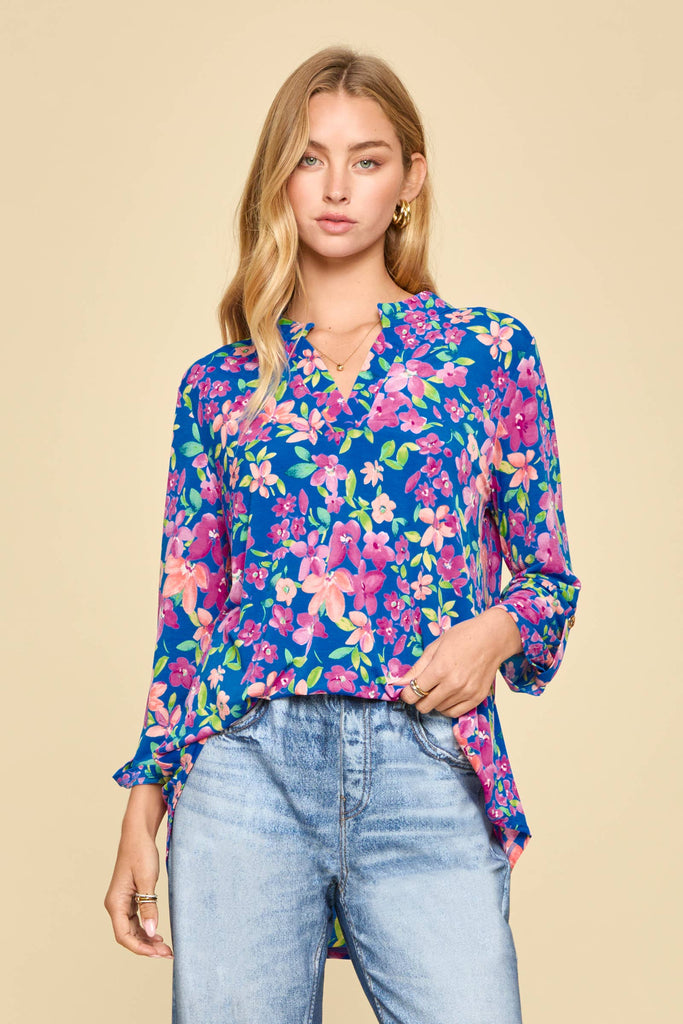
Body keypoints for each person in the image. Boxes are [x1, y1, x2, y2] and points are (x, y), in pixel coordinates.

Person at [104, 45, 581, 1024]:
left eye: (367, 160)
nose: (335, 188)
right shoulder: (220, 386)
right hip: (243, 768)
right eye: (310, 159)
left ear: (409, 180)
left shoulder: (487, 354)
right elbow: (188, 614)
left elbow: (547, 582)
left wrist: (491, 634)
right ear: (278, 177)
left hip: (425, 760)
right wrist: (142, 809)